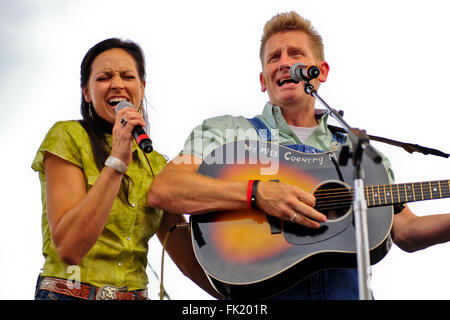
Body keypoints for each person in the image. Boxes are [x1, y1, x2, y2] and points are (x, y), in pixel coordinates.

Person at [147, 12, 450, 299]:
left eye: (295, 54)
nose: (284, 63)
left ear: (321, 72)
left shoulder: (363, 156)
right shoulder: (224, 133)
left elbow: (406, 230)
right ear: (263, 80)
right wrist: (256, 192)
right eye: (274, 58)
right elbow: (166, 188)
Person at [32, 38, 219, 300]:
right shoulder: (68, 136)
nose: (117, 84)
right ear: (87, 92)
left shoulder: (156, 166)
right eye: (104, 77)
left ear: (141, 88)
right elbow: (70, 248)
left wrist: (240, 298)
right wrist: (117, 161)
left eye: (127, 76)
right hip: (70, 293)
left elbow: (187, 259)